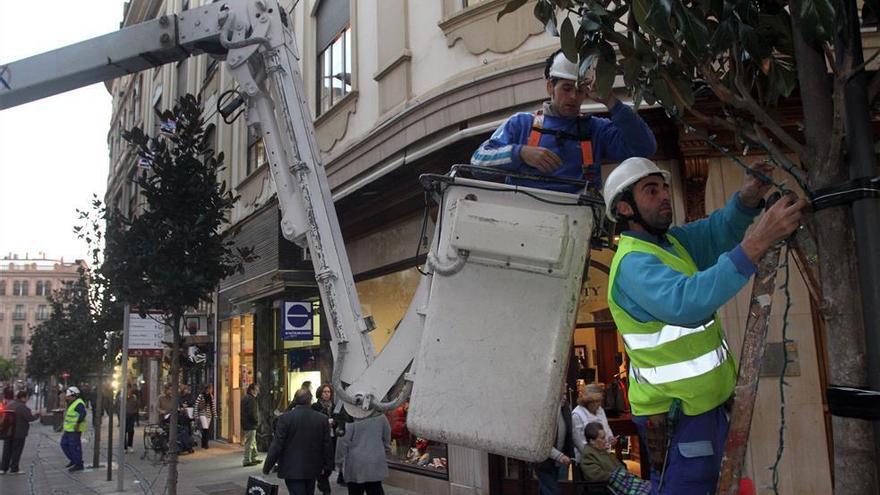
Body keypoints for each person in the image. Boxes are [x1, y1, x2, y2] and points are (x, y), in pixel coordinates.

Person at [604, 157, 806, 493]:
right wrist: (758, 241)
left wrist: (747, 199)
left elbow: (716, 232)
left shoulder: (672, 244)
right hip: (677, 418)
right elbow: (687, 302)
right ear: (625, 209)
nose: (664, 195)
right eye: (651, 190)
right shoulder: (633, 262)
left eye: (664, 187)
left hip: (701, 411)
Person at [471, 50, 656, 192]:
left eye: (580, 90)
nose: (574, 97)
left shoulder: (596, 130)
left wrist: (610, 101)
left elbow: (645, 147)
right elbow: (478, 162)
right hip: (524, 222)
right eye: (566, 88)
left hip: (578, 224)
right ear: (550, 87)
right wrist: (521, 153)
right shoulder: (521, 124)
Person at [263, 389, 332, 495]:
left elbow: (277, 444)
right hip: (313, 467)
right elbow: (327, 445)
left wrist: (268, 466)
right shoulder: (321, 419)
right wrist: (327, 467)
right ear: (310, 400)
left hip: (291, 468)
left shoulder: (285, 418)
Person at [335, 414, 391, 495]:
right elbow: (387, 434)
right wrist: (385, 449)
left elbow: (342, 441)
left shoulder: (350, 417)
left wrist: (339, 460)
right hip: (375, 460)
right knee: (375, 488)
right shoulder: (380, 416)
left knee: (355, 490)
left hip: (355, 462)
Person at [571, 384, 615, 481]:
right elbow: (579, 442)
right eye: (594, 401)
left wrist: (610, 438)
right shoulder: (577, 415)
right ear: (586, 401)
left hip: (604, 455)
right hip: (590, 460)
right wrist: (596, 454)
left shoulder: (600, 410)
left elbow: (606, 428)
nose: (597, 404)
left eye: (599, 401)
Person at [535, 386, 573, 495]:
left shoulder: (565, 407)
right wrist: (559, 456)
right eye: (562, 394)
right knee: (553, 491)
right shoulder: (545, 411)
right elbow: (543, 441)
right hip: (543, 461)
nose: (565, 397)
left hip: (557, 460)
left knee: (546, 489)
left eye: (565, 394)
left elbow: (570, 431)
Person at [0, 390, 39, 474]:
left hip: (8, 432)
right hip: (19, 433)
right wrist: (37, 415)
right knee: (16, 451)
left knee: (6, 451)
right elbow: (30, 418)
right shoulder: (22, 407)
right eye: (27, 397)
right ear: (23, 398)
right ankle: (14, 469)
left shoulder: (10, 405)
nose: (28, 399)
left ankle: (3, 468)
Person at [311, 384, 337, 494]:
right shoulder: (315, 406)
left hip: (332, 436)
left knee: (331, 462)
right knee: (322, 461)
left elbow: (339, 419)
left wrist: (335, 422)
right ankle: (323, 482)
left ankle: (323, 479)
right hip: (320, 438)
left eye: (329, 392)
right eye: (325, 392)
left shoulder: (334, 406)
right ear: (320, 393)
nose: (327, 394)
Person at [60, 386, 87, 472]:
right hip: (68, 429)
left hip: (75, 430)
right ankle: (74, 460)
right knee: (64, 444)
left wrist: (77, 424)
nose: (67, 398)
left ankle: (78, 464)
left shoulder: (79, 403)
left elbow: (83, 414)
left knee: (75, 447)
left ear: (74, 395)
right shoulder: (72, 403)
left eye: (68, 396)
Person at [241, 383, 261, 467]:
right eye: (256, 389)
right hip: (250, 424)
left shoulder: (245, 398)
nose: (258, 391)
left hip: (246, 423)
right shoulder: (251, 399)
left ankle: (253, 457)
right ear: (252, 390)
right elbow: (252, 413)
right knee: (250, 442)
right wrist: (256, 421)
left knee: (253, 442)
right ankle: (247, 460)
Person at [195, 384, 217, 449]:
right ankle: (205, 444)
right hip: (202, 413)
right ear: (208, 389)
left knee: (206, 429)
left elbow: (213, 406)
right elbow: (196, 404)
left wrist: (215, 414)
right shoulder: (201, 396)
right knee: (205, 428)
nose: (211, 390)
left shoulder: (211, 396)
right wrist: (196, 415)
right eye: (211, 389)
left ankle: (204, 443)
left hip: (209, 414)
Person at [124, 388, 138, 453]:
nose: (128, 392)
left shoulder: (134, 398)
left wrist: (134, 412)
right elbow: (117, 406)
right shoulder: (122, 397)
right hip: (124, 416)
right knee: (123, 431)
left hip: (131, 416)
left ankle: (130, 445)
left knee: (131, 431)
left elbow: (137, 406)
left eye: (130, 391)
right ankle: (124, 447)